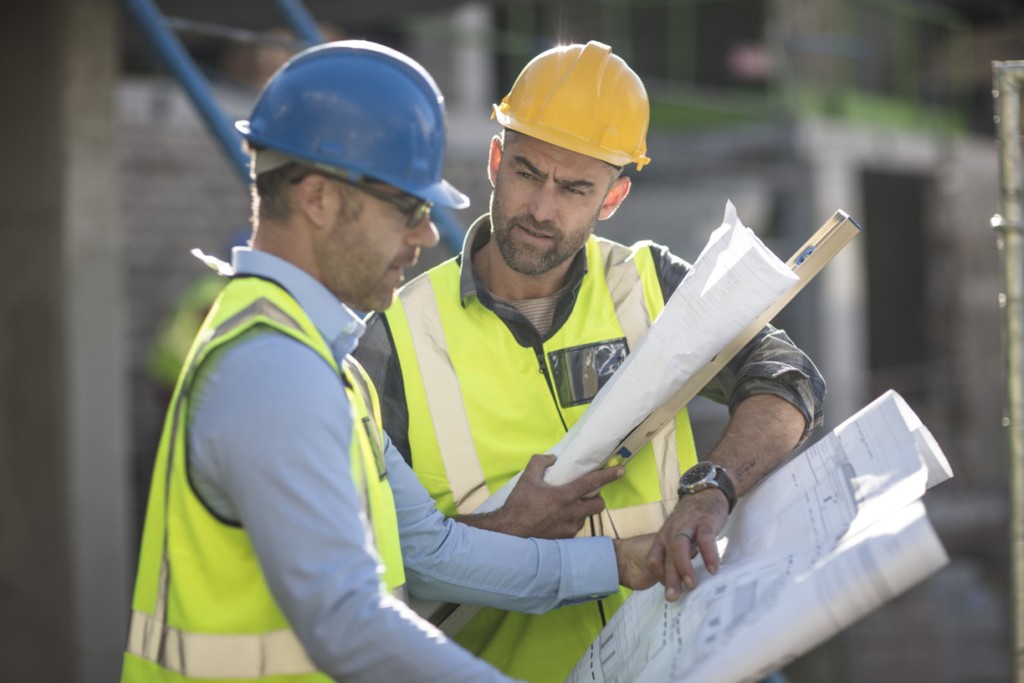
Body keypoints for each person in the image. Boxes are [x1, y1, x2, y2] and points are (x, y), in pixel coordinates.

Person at [121, 40, 659, 683]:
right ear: (318, 198)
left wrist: (620, 564)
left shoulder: (322, 361)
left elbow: (430, 550)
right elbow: (348, 623)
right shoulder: (273, 374)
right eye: (407, 207)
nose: (427, 234)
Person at [353, 40, 826, 682]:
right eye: (526, 173)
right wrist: (501, 528)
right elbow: (368, 561)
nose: (542, 210)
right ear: (496, 158)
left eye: (575, 188)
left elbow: (786, 378)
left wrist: (714, 488)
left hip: (683, 664)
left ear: (613, 197)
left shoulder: (652, 284)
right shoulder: (394, 334)